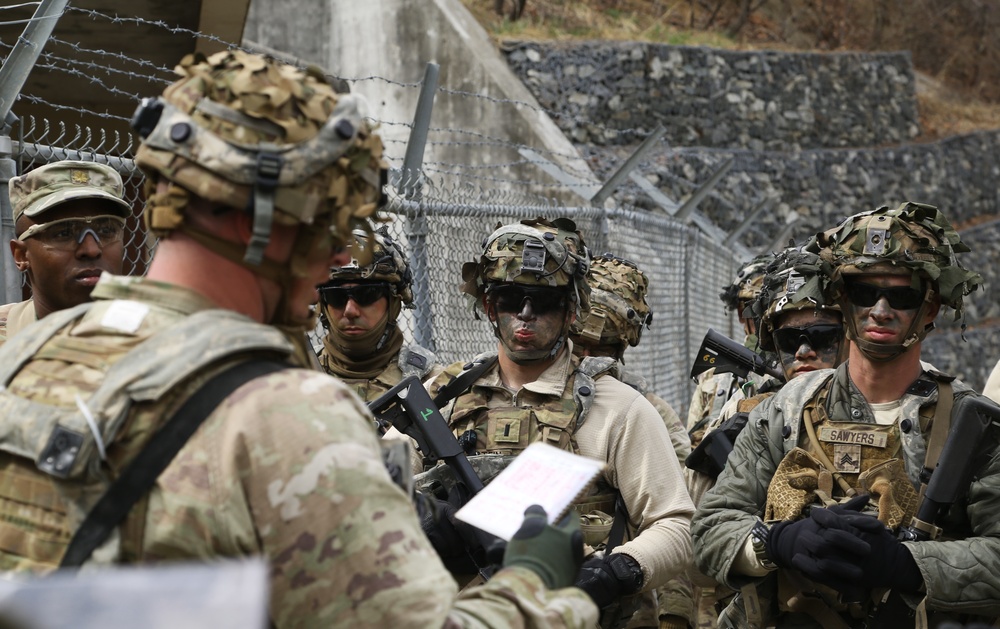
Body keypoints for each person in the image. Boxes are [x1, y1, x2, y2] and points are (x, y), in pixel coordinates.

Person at [0, 51, 598, 628]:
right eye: (324, 223)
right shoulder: (283, 412)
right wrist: (534, 586)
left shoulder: (27, 355)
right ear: (252, 217)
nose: (339, 255)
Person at [693, 202, 995, 628]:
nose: (881, 309)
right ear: (841, 300)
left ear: (929, 309)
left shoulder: (970, 424)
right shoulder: (786, 408)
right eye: (864, 293)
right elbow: (710, 527)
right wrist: (777, 542)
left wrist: (906, 564)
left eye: (902, 295)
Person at [423, 217, 694, 626]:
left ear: (571, 311)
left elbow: (675, 525)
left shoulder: (618, 408)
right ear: (489, 307)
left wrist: (617, 571)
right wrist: (424, 516)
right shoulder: (440, 399)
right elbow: (369, 501)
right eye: (511, 298)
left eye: (544, 301)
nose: (526, 314)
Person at [684, 247, 846, 628]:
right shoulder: (748, 408)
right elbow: (697, 548)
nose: (805, 351)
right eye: (790, 340)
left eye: (823, 337)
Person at [569, 252, 694, 629]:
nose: (586, 359)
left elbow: (674, 523)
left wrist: (676, 616)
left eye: (600, 349)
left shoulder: (643, 412)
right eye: (579, 344)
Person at [0, 160, 129, 346]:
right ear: (21, 255)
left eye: (107, 230)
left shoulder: (160, 339)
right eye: (63, 233)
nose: (91, 250)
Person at [316, 225, 440, 403]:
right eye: (336, 296)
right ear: (322, 304)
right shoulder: (291, 384)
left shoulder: (432, 385)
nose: (350, 310)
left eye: (367, 295)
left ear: (394, 302)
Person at [685, 254, 771, 446]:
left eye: (768, 308)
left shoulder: (804, 366)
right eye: (755, 309)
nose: (765, 319)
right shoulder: (716, 373)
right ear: (741, 313)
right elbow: (693, 443)